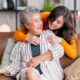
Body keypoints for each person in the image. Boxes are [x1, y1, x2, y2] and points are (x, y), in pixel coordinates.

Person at [0, 7, 64, 80]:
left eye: (40, 19)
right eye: (36, 21)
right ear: (27, 25)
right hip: (30, 75)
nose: (40, 23)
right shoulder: (20, 45)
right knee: (29, 72)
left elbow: (60, 50)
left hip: (50, 74)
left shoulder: (48, 35)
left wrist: (39, 58)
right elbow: (15, 66)